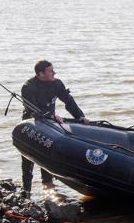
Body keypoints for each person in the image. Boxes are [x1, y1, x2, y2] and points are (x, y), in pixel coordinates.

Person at [20, 60, 90, 194]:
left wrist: (80, 116)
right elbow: (33, 109)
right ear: (41, 74)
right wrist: (51, 116)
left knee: (46, 158)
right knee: (28, 160)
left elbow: (68, 101)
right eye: (51, 71)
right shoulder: (28, 87)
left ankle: (48, 191)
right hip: (32, 124)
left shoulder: (56, 83)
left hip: (49, 124)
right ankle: (26, 191)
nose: (54, 73)